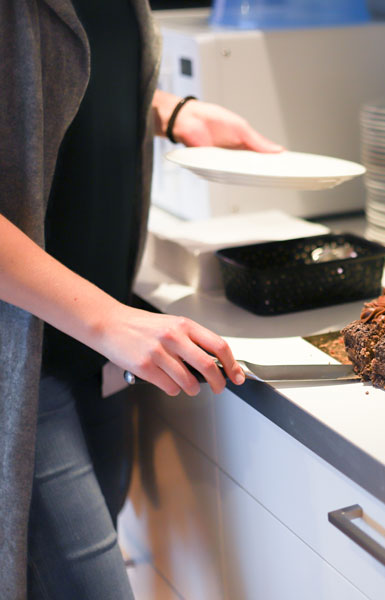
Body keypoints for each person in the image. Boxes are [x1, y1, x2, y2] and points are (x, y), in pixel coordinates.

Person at [0, 1, 282, 597]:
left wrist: (170, 111)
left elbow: (44, 77)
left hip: (90, 343)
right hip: (23, 358)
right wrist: (107, 321)